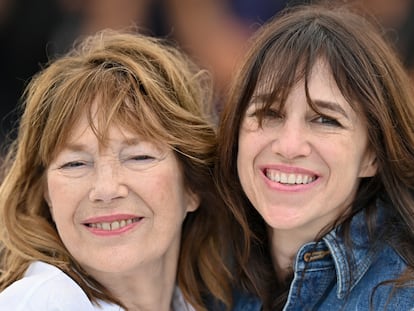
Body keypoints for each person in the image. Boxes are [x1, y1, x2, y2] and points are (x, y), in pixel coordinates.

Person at [0, 29, 235, 311]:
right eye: (75, 163)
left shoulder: (204, 302)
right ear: (46, 193)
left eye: (138, 157)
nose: (107, 189)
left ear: (192, 185)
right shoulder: (40, 303)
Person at [216, 4, 414, 311]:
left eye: (325, 120)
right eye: (269, 113)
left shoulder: (402, 296)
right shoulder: (207, 278)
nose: (289, 145)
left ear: (372, 156)